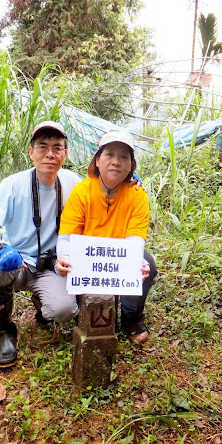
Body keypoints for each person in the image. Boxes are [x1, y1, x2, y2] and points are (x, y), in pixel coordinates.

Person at [0, 121, 83, 368]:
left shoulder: (73, 182)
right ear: (31, 152)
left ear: (65, 154)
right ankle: (4, 330)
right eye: (42, 147)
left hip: (52, 266)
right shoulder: (12, 185)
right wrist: (0, 248)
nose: (50, 154)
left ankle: (43, 307)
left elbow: (99, 194)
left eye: (57, 147)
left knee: (64, 311)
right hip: (17, 263)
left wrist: (125, 182)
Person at [55, 130, 158, 344]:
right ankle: (83, 316)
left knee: (147, 265)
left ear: (131, 165)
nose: (116, 162)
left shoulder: (137, 194)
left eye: (124, 157)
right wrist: (63, 258)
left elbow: (135, 241)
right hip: (87, 258)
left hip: (118, 254)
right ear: (97, 161)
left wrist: (136, 262)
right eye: (109, 154)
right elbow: (66, 238)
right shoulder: (82, 192)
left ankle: (131, 318)